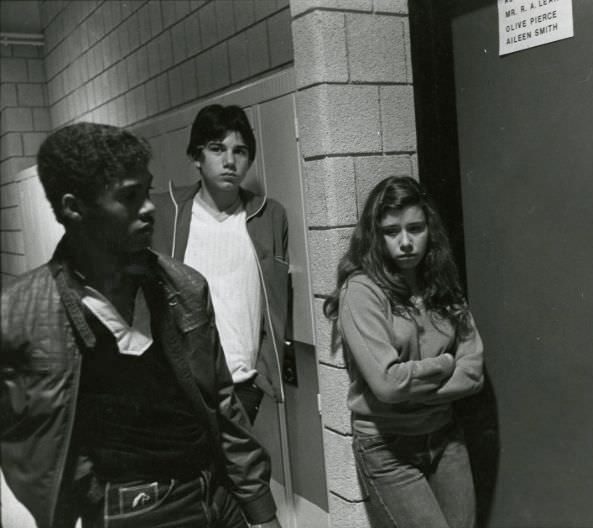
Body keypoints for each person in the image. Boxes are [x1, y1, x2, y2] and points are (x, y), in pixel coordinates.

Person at [0, 123, 281, 528]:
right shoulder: (21, 314)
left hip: (217, 494)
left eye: (146, 191)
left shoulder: (184, 287)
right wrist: (85, 494)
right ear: (73, 207)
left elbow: (222, 404)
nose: (148, 208)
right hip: (133, 509)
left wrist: (260, 508)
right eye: (129, 197)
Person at [323, 176, 485, 528]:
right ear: (375, 235)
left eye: (416, 228)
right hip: (388, 447)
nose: (407, 242)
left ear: (430, 229)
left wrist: (412, 387)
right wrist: (445, 363)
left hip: (445, 436)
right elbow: (388, 386)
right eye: (392, 231)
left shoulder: (441, 282)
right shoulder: (362, 291)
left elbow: (472, 372)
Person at [151, 104, 290, 423]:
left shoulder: (269, 216)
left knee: (237, 472)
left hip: (243, 386)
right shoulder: (165, 213)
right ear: (196, 156)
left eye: (239, 151)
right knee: (189, 473)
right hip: (182, 388)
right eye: (217, 149)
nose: (229, 161)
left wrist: (262, 379)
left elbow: (277, 301)